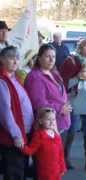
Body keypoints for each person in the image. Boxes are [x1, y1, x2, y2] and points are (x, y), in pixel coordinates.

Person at [59, 39, 86, 171]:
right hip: (74, 100)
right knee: (71, 130)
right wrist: (77, 78)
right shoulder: (71, 61)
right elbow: (62, 83)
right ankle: (65, 158)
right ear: (80, 47)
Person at [0, 46, 34, 180]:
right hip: (13, 137)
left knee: (21, 171)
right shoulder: (2, 82)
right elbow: (5, 113)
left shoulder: (14, 78)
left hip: (23, 133)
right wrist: (16, 135)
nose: (15, 61)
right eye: (11, 57)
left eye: (17, 58)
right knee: (15, 173)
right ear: (2, 59)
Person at [24, 44, 71, 135]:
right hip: (48, 126)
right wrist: (60, 108)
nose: (51, 59)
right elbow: (38, 103)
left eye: (53, 56)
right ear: (39, 58)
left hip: (60, 122)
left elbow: (61, 93)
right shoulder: (35, 77)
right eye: (47, 56)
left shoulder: (53, 72)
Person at [20, 107, 66, 180]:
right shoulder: (39, 135)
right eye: (48, 119)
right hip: (45, 172)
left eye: (53, 119)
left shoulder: (56, 135)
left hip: (56, 171)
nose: (52, 122)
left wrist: (62, 167)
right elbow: (30, 150)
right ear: (40, 121)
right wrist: (21, 145)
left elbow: (61, 153)